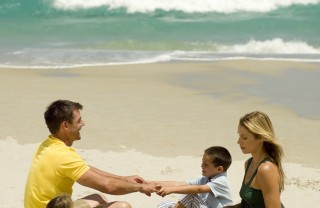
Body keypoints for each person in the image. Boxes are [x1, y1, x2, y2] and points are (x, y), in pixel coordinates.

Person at [24, 99, 158, 208]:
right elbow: (107, 186)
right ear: (65, 125)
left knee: (98, 198)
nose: (83, 123)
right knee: (122, 206)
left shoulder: (49, 144)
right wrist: (141, 187)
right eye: (78, 121)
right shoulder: (63, 156)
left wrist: (124, 179)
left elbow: (85, 169)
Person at [224, 111, 285, 208]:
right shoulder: (249, 164)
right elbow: (250, 203)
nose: (238, 141)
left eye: (244, 137)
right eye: (239, 136)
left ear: (260, 137)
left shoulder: (266, 170)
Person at [151, 146, 233, 208]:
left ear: (219, 169)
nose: (201, 166)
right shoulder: (204, 179)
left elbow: (198, 189)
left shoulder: (222, 181)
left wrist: (170, 190)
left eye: (206, 164)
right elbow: (179, 184)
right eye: (202, 162)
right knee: (166, 204)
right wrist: (150, 183)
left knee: (191, 196)